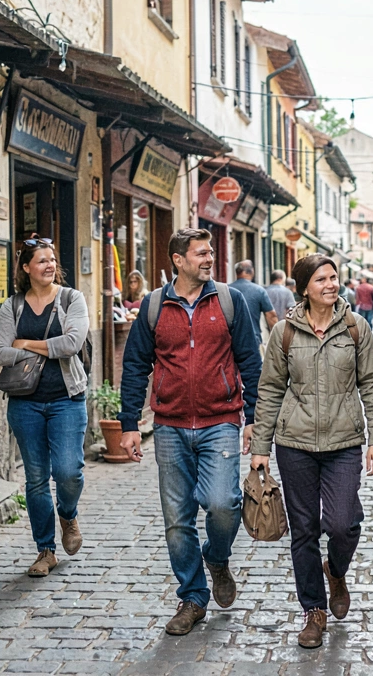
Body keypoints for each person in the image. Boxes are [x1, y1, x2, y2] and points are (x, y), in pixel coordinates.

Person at [117, 228, 263, 635]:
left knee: (224, 504)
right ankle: (193, 597)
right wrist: (129, 424)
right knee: (177, 519)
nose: (209, 258)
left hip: (221, 421)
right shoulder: (154, 306)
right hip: (169, 426)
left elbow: (251, 361)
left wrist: (254, 417)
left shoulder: (229, 301)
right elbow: (135, 366)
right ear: (178, 260)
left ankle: (216, 556)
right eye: (201, 253)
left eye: (210, 252)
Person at [251, 254, 373, 648]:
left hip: (343, 442)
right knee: (304, 530)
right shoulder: (284, 333)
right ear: (303, 289)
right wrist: (260, 447)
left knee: (343, 523)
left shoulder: (355, 327)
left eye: (333, 277)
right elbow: (270, 390)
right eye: (321, 280)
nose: (331, 284)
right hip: (294, 444)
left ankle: (337, 570)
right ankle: (313, 610)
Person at [0, 237, 90, 578]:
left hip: (67, 399)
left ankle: (68, 514)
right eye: (42, 261)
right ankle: (45, 550)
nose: (49, 265)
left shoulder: (71, 299)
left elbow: (72, 343)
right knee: (35, 478)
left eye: (52, 260)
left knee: (68, 472)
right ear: (26, 268)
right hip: (25, 403)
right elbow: (0, 352)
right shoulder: (13, 306)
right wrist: (46, 346)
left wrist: (26, 343)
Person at [230, 259, 279, 342]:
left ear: (237, 272)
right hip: (252, 338)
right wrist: (277, 338)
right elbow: (271, 316)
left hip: (231, 338)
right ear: (251, 271)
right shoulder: (259, 290)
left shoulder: (227, 289)